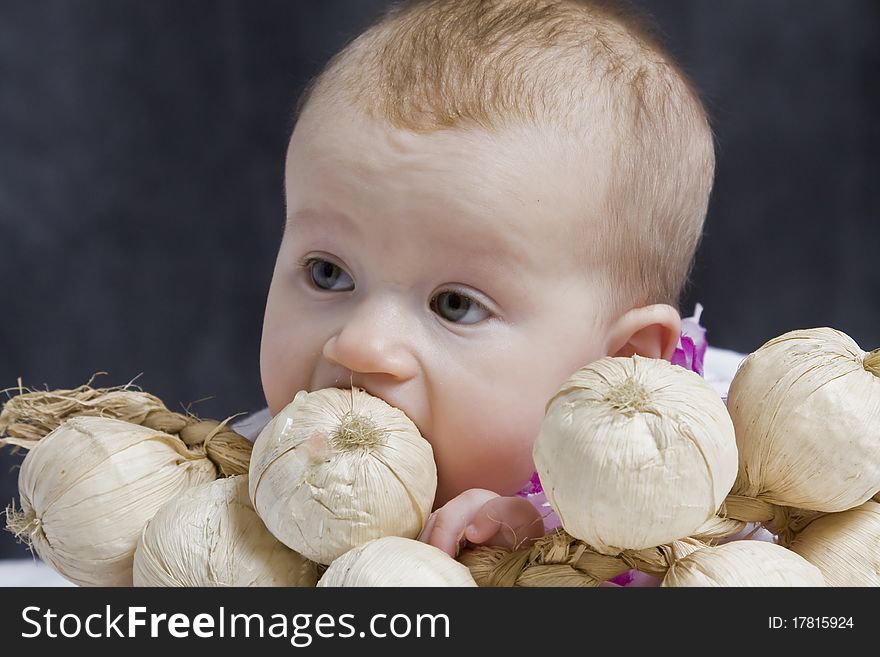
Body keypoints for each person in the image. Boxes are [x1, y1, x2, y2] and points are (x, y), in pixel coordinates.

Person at [253, 0, 715, 559]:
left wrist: (535, 554)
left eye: (454, 305)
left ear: (620, 367)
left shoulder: (691, 510)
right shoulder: (244, 471)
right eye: (328, 273)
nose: (359, 344)